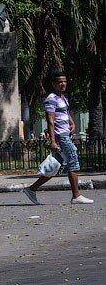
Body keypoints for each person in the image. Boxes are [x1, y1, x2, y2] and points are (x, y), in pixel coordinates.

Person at [24, 70, 94, 205]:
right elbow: (50, 121)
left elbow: (65, 112)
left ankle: (32, 189)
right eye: (59, 82)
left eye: (64, 81)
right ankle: (76, 196)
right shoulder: (51, 99)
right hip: (60, 136)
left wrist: (72, 123)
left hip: (65, 134)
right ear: (53, 84)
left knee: (56, 166)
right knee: (73, 161)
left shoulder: (63, 98)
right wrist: (52, 141)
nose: (63, 84)